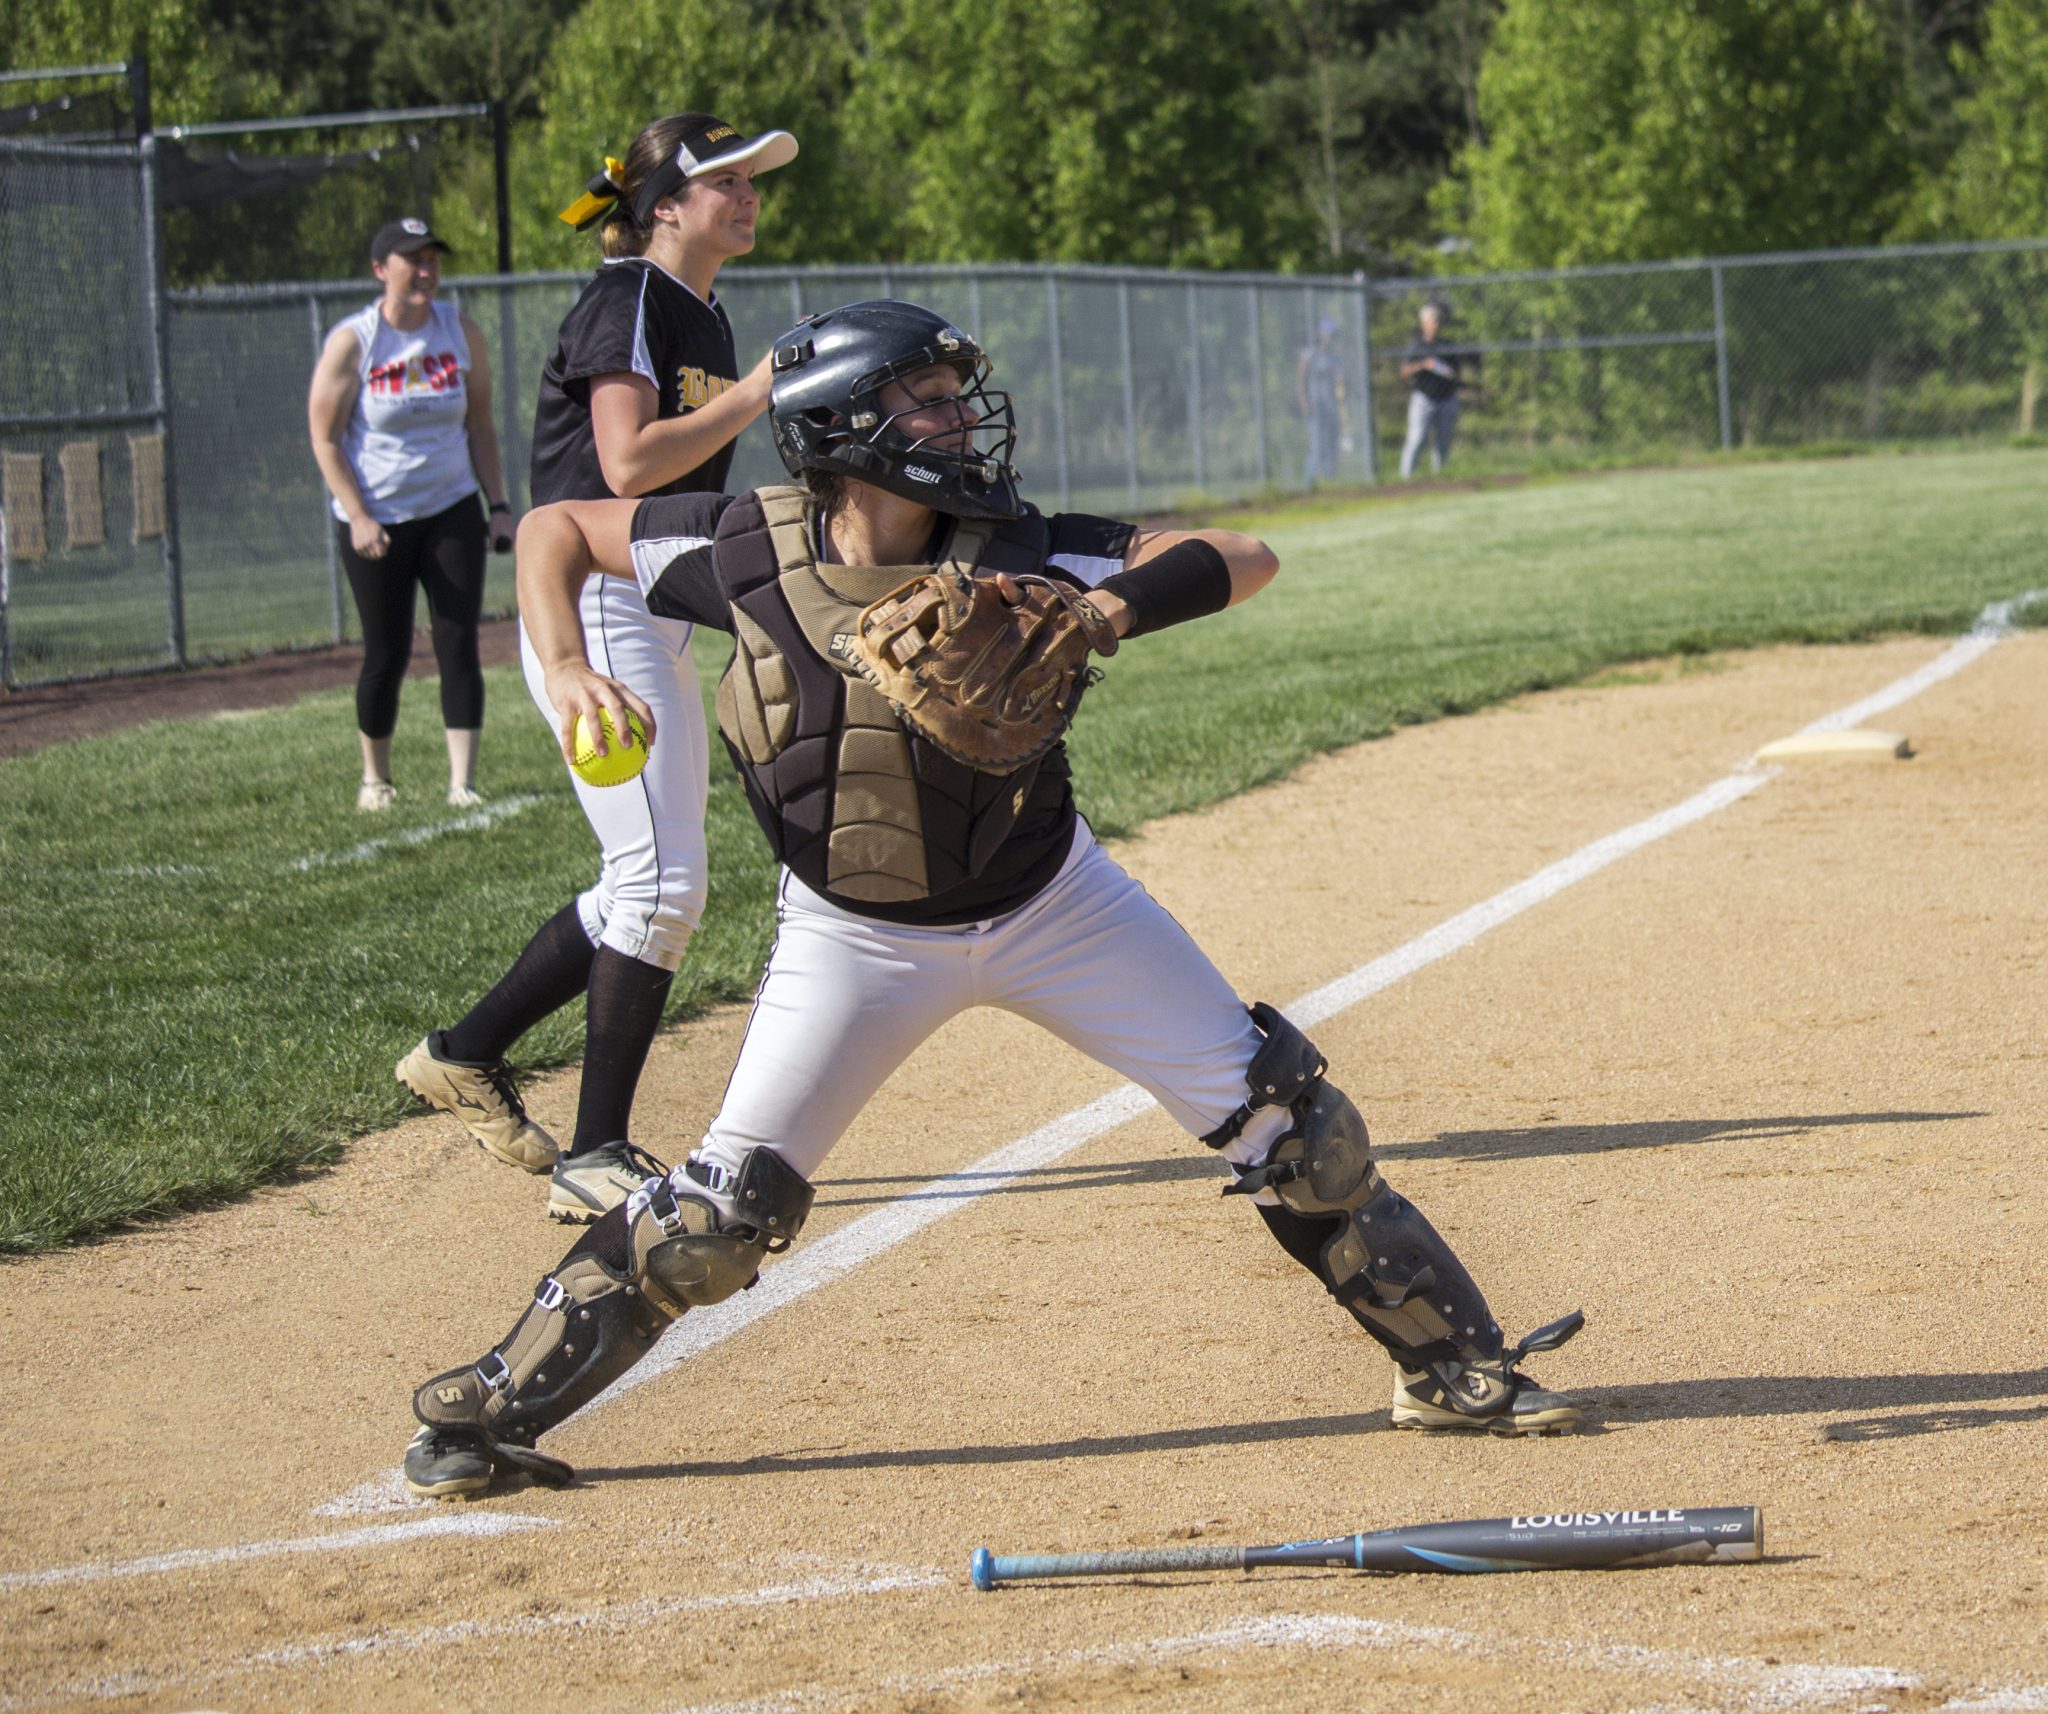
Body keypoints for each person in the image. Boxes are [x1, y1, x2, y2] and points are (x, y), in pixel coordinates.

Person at [398, 299, 1585, 1501]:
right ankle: (486, 1413)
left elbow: (1244, 554)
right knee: (711, 1220)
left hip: (1054, 908)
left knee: (1299, 1139)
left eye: (954, 395)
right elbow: (552, 529)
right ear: (843, 422)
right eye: (925, 397)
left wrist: (1107, 604)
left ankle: (1449, 1365)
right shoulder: (738, 547)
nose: (959, 418)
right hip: (850, 937)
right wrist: (559, 664)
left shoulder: (1019, 545)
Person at [393, 113, 797, 1220]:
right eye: (723, 179)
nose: (747, 194)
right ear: (662, 204)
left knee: (643, 875)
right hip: (589, 602)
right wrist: (758, 388)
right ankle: (595, 1153)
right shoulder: (628, 297)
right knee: (664, 881)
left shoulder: (696, 308)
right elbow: (622, 466)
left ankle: (463, 1052)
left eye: (751, 180)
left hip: (644, 600)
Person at [308, 217, 515, 811]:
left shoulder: (459, 330)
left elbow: (480, 425)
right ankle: (375, 777)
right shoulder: (356, 340)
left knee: (457, 642)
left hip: (451, 507)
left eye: (432, 260)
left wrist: (497, 506)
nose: (425, 271)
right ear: (381, 269)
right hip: (377, 517)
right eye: (411, 260)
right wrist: (358, 516)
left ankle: (463, 783)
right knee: (387, 650)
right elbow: (324, 439)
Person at [1398, 298, 1462, 479]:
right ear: (1423, 322)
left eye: (1439, 320)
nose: (1437, 324)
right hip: (1424, 398)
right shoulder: (1416, 346)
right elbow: (1404, 371)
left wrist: (1448, 372)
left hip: (1446, 397)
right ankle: (1405, 478)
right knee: (1417, 438)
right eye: (1434, 320)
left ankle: (1440, 476)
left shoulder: (1447, 345)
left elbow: (1456, 371)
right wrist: (1423, 364)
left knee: (1443, 441)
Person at [1297, 315, 1349, 484]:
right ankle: (1308, 484)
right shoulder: (1310, 355)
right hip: (1314, 408)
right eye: (1328, 335)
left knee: (1331, 447)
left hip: (1331, 410)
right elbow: (1301, 381)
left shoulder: (1334, 359)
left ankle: (1328, 483)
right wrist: (1304, 404)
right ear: (1321, 335)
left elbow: (1340, 385)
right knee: (1317, 447)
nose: (1331, 339)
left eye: (1333, 335)